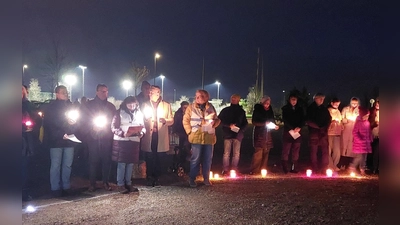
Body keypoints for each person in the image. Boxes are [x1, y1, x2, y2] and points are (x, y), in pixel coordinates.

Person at [43, 85, 78, 197]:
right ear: (57, 94)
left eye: (66, 92)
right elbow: (49, 124)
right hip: (56, 141)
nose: (66, 94)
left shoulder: (71, 106)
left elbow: (77, 121)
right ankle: (55, 187)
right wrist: (60, 135)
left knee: (67, 165)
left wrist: (72, 126)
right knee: (56, 165)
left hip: (69, 139)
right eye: (63, 92)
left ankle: (66, 186)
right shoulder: (51, 107)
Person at [80, 84, 116, 192]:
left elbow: (114, 121)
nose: (104, 93)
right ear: (96, 92)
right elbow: (84, 120)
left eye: (106, 91)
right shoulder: (89, 105)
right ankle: (92, 183)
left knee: (106, 160)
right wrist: (92, 128)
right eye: (102, 91)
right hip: (93, 137)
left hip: (106, 137)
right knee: (93, 161)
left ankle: (105, 182)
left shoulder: (111, 106)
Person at [183, 89, 220, 187]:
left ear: (207, 97)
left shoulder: (211, 107)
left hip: (209, 137)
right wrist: (189, 132)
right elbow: (185, 121)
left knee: (208, 159)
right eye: (197, 96)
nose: (198, 98)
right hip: (196, 137)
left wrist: (214, 123)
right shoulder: (190, 108)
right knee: (195, 159)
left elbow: (217, 119)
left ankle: (206, 179)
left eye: (201, 96)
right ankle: (192, 179)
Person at [111, 96, 145, 193]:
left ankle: (128, 183)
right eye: (129, 104)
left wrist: (142, 133)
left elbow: (143, 126)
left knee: (130, 163)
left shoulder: (139, 113)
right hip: (122, 141)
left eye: (133, 104)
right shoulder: (119, 112)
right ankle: (120, 184)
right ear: (125, 104)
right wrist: (123, 133)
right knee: (121, 163)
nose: (132, 106)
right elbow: (113, 127)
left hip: (134, 141)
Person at [141, 85, 174, 186]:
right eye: (149, 92)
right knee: (149, 156)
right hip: (149, 135)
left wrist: (165, 121)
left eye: (152, 92)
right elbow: (140, 118)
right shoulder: (144, 105)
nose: (150, 94)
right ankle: (149, 176)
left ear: (158, 93)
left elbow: (171, 120)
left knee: (160, 156)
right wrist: (146, 119)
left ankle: (158, 176)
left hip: (161, 134)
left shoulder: (166, 105)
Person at [218, 94, 248, 175]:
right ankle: (225, 169)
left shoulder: (241, 112)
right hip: (227, 134)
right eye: (232, 98)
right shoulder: (225, 110)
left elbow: (245, 123)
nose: (233, 100)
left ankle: (234, 168)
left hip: (238, 135)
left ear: (238, 100)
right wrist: (228, 125)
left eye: (235, 99)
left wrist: (241, 130)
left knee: (236, 153)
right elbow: (219, 121)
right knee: (226, 153)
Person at [249, 95, 279, 175]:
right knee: (258, 153)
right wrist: (264, 123)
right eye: (266, 103)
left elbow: (272, 120)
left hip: (268, 134)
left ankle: (263, 169)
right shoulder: (258, 110)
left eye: (268, 103)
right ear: (262, 102)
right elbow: (254, 122)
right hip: (259, 134)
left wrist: (274, 126)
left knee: (266, 151)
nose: (267, 104)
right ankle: (255, 170)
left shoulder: (270, 111)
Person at [306, 93, 331, 174]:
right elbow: (308, 120)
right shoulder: (310, 108)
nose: (322, 100)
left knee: (325, 150)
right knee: (314, 150)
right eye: (320, 99)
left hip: (323, 132)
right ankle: (314, 167)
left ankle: (324, 167)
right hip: (314, 132)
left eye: (323, 99)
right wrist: (318, 127)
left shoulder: (324, 109)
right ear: (315, 99)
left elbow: (329, 119)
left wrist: (325, 127)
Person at [281, 94, 305, 173]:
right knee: (286, 150)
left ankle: (294, 167)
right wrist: (292, 128)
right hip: (288, 132)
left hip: (297, 132)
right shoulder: (285, 109)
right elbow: (285, 119)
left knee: (296, 150)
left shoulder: (300, 109)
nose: (294, 101)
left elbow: (303, 119)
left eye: (295, 99)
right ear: (289, 100)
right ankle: (285, 167)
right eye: (292, 99)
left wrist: (299, 127)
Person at [349, 107, 373, 176]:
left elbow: (369, 131)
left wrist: (370, 137)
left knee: (364, 157)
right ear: (362, 115)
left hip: (366, 143)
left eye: (368, 116)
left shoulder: (367, 123)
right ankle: (352, 166)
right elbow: (355, 132)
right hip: (359, 143)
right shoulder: (358, 123)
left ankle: (362, 169)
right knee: (359, 157)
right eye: (366, 116)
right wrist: (359, 139)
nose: (367, 117)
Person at [22, 85, 36, 201]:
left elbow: (37, 119)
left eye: (22, 89)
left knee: (25, 167)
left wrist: (32, 124)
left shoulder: (28, 105)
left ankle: (25, 193)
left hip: (26, 141)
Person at [339, 97, 360, 169]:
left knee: (351, 146)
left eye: (355, 103)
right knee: (344, 145)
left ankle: (349, 164)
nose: (354, 104)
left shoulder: (359, 110)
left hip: (354, 128)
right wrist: (345, 121)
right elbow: (341, 117)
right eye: (353, 103)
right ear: (350, 102)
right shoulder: (345, 109)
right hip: (346, 128)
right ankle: (342, 163)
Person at [172, 101, 191, 170]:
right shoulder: (178, 114)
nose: (185, 109)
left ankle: (186, 166)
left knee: (188, 149)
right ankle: (179, 165)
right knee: (180, 149)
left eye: (187, 107)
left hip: (188, 134)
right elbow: (175, 123)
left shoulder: (190, 114)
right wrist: (174, 131)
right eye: (184, 107)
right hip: (180, 134)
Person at [327, 98, 343, 171]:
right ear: (332, 103)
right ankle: (329, 165)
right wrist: (332, 121)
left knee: (337, 150)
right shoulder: (328, 111)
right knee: (328, 149)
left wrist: (341, 124)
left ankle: (335, 164)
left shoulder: (338, 111)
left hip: (337, 132)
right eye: (336, 104)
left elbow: (340, 120)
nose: (337, 105)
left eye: (338, 104)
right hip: (329, 132)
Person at [368, 98, 379, 174]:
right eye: (376, 104)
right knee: (374, 151)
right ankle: (373, 167)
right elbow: (369, 124)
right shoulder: (371, 112)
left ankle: (376, 167)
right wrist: (374, 124)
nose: (377, 105)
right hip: (373, 134)